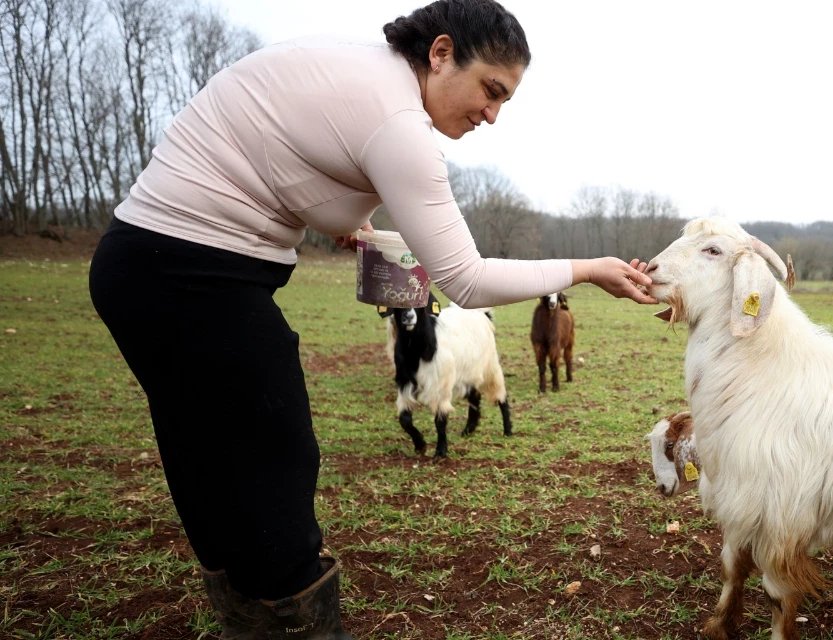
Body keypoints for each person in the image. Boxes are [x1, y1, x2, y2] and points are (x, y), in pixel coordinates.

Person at [87, 1, 654, 637]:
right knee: (277, 456)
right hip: (192, 275)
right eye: (491, 90)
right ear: (441, 54)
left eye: (506, 102)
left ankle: (248, 612)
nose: (493, 115)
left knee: (208, 456)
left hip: (144, 263)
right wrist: (587, 268)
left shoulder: (365, 76)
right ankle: (293, 621)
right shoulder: (398, 124)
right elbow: (465, 277)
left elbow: (279, 156)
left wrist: (344, 222)